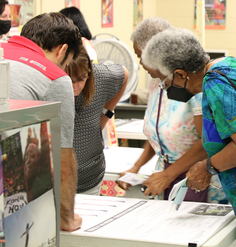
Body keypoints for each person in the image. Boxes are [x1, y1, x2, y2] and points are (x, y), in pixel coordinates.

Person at [118, 17, 223, 203]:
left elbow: (208, 140)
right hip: (167, 172)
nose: (140, 62)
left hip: (197, 173)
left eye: (140, 55)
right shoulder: (156, 83)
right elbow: (160, 134)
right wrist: (137, 167)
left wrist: (168, 175)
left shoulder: (194, 85)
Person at [2, 12, 83, 231]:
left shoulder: (2, 50)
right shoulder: (55, 77)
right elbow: (62, 157)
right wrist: (66, 218)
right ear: (62, 50)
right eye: (66, 63)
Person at [141, 27, 236, 213]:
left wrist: (208, 166)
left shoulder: (215, 84)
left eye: (165, 82)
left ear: (181, 74)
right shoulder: (227, 65)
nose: (165, 88)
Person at [65, 46, 128, 195]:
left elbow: (124, 74)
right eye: (70, 80)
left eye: (81, 79)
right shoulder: (49, 84)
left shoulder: (100, 76)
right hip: (56, 184)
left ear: (89, 73)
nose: (75, 86)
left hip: (90, 178)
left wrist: (105, 114)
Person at [24, 123, 53, 203]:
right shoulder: (25, 185)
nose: (28, 160)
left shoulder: (43, 180)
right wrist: (29, 136)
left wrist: (42, 121)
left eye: (33, 156)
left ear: (39, 164)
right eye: (27, 157)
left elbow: (45, 149)